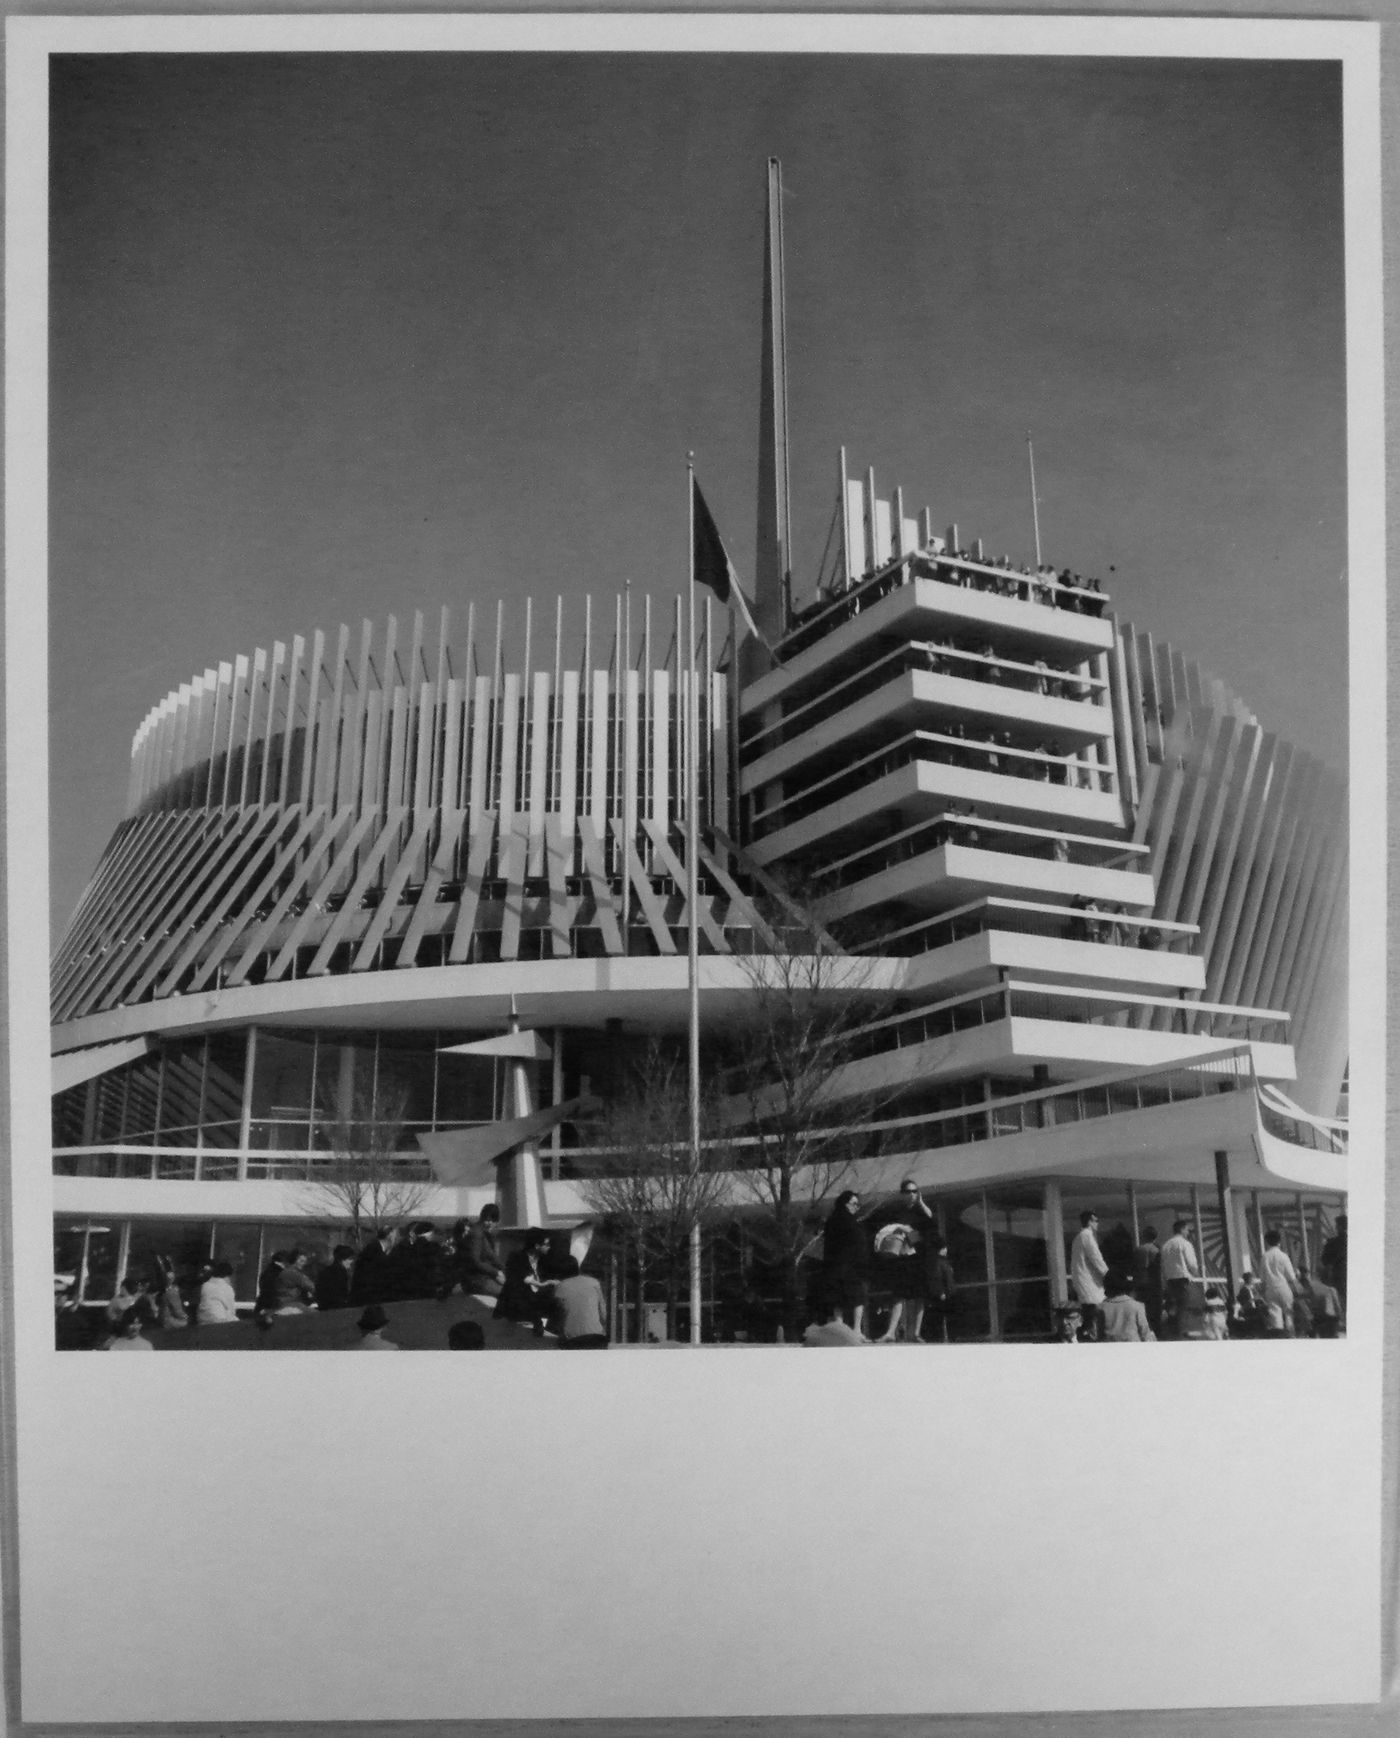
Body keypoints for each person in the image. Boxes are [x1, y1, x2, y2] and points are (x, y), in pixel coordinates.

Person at [822, 1190, 871, 1339]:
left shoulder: (831, 1221)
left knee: (838, 1299)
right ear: (845, 1204)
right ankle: (856, 1330)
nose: (857, 1207)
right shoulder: (851, 1223)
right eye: (854, 1203)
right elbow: (858, 1243)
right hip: (851, 1266)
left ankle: (840, 1329)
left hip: (834, 1266)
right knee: (858, 1297)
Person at [495, 1229, 556, 1335]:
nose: (549, 1247)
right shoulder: (517, 1257)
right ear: (537, 1246)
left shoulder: (545, 1259)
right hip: (518, 1301)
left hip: (534, 1300)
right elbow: (522, 1278)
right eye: (546, 1244)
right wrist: (542, 1284)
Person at [550, 1256, 609, 1348]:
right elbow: (603, 1313)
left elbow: (559, 1316)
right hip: (598, 1336)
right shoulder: (594, 1282)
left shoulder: (560, 1287)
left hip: (573, 1339)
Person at [1068, 1210, 1109, 1340]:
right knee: (1093, 1315)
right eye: (1096, 1221)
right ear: (1090, 1221)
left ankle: (1086, 1336)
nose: (1098, 1224)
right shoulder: (1087, 1236)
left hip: (1084, 1283)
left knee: (1088, 1314)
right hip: (1090, 1285)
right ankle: (1090, 1337)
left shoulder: (1078, 1237)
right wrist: (1109, 1275)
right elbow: (1096, 1258)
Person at [1159, 1219, 1199, 1339]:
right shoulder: (1185, 1244)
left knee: (1173, 1307)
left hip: (1170, 1280)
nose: (1187, 1232)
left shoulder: (1166, 1245)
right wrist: (1196, 1273)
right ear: (1182, 1229)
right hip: (1183, 1279)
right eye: (1186, 1229)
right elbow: (1191, 1263)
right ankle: (1183, 1333)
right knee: (1184, 1306)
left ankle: (1173, 1332)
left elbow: (1163, 1265)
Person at [1259, 1229, 1301, 1337]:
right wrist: (1297, 1288)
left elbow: (1262, 1279)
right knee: (1289, 1314)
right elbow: (1291, 1277)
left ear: (1267, 1241)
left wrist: (1262, 1292)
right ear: (1279, 1242)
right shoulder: (1284, 1256)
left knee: (1275, 1316)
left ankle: (1278, 1338)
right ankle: (1291, 1336)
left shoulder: (1264, 1257)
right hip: (1283, 1287)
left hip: (1270, 1289)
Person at [459, 1205, 506, 1300]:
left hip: (482, 1277)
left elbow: (492, 1257)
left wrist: (505, 1270)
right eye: (489, 1221)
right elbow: (475, 1261)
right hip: (476, 1280)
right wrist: (496, 1272)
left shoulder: (483, 1233)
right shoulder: (477, 1234)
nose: (492, 1224)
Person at [1099, 1271, 1155, 1342]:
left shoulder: (1100, 1308)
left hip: (1109, 1348)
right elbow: (1145, 1333)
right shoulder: (1137, 1306)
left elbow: (1097, 1334)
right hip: (1133, 1347)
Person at [349, 1226, 396, 1306]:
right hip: (367, 1296)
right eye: (394, 1236)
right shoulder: (375, 1251)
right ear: (389, 1236)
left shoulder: (373, 1248)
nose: (395, 1239)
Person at [1133, 1226, 1163, 1336]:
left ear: (1144, 1236)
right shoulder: (1157, 1250)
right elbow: (1158, 1269)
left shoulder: (1138, 1249)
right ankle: (1156, 1334)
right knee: (1155, 1313)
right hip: (1154, 1284)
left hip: (1140, 1284)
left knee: (1142, 1312)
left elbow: (1134, 1267)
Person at [272, 1247, 317, 1314]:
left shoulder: (284, 1272)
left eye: (305, 1261)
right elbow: (313, 1288)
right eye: (301, 1261)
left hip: (280, 1306)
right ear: (294, 1260)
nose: (303, 1263)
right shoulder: (295, 1274)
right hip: (292, 1306)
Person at [196, 1259, 238, 1324]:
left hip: (202, 1319)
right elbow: (231, 1309)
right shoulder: (227, 1288)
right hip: (219, 1321)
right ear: (227, 1276)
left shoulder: (205, 1285)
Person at [1319, 1214, 1347, 1311]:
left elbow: (1324, 1260)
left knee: (1339, 1302)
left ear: (1338, 1227)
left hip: (1338, 1277)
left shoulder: (1333, 1243)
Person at [315, 1246, 355, 1311]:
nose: (352, 1261)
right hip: (336, 1308)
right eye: (350, 1259)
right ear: (343, 1259)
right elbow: (342, 1294)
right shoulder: (341, 1272)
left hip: (324, 1307)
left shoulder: (325, 1270)